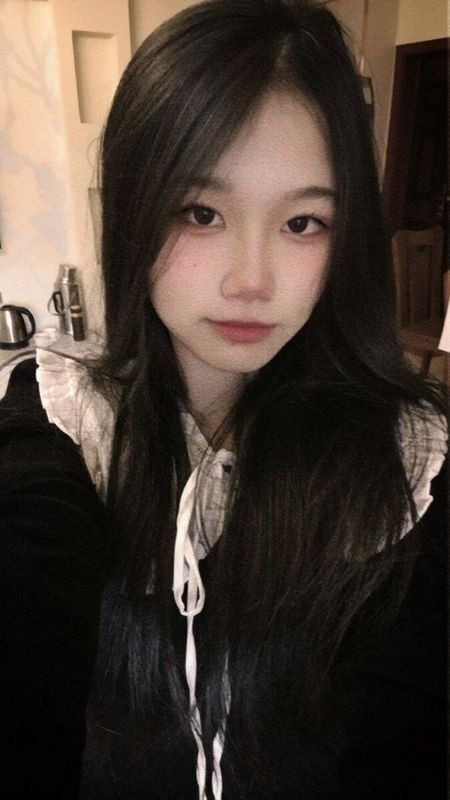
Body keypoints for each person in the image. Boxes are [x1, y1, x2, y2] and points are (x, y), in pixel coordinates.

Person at [0, 1, 447, 798]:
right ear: (130, 210)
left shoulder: (413, 461)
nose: (252, 281)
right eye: (201, 213)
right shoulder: (63, 420)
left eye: (303, 222)